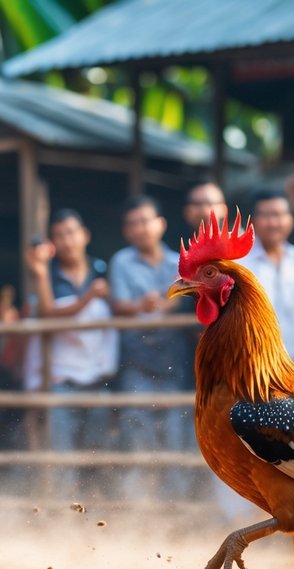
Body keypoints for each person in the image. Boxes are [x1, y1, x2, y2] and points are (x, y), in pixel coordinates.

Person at [21, 209, 118, 498]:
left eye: (71, 232)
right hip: (62, 380)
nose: (67, 241)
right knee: (60, 455)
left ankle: (97, 513)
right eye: (59, 235)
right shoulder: (46, 277)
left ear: (84, 235)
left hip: (98, 380)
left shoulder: (103, 270)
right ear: (52, 243)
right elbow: (49, 315)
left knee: (99, 455)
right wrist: (40, 273)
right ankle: (60, 515)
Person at [108, 195, 191, 499]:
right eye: (133, 224)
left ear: (160, 224)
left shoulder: (179, 262)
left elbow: (193, 299)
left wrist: (169, 306)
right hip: (137, 359)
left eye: (145, 221)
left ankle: (176, 508)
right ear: (127, 231)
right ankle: (138, 508)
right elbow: (117, 304)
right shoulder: (121, 261)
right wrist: (140, 305)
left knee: (175, 436)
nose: (140, 228)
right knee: (137, 435)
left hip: (173, 358)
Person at [237, 190, 294, 361]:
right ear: (253, 221)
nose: (273, 222)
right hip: (255, 360)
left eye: (279, 214)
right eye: (266, 215)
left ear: (290, 219)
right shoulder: (240, 262)